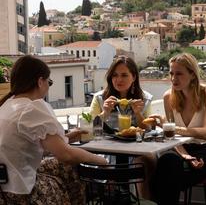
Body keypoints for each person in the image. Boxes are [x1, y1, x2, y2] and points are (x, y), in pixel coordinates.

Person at [0, 55, 107, 205]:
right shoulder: (33, 107)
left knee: (63, 168)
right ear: (40, 81)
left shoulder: (7, 106)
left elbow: (22, 147)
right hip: (22, 192)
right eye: (49, 82)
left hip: (5, 188)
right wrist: (102, 161)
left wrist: (68, 138)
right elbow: (67, 155)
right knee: (71, 165)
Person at [151, 53, 206, 205]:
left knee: (167, 175)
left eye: (179, 74)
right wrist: (185, 155)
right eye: (171, 73)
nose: (173, 78)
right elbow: (171, 138)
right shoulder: (168, 97)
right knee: (167, 162)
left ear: (192, 75)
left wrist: (174, 129)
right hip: (180, 148)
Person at [89, 55, 153, 130]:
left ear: (134, 77)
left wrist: (138, 114)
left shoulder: (145, 99)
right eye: (115, 75)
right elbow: (88, 128)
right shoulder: (99, 98)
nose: (119, 80)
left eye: (124, 75)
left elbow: (149, 130)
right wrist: (105, 113)